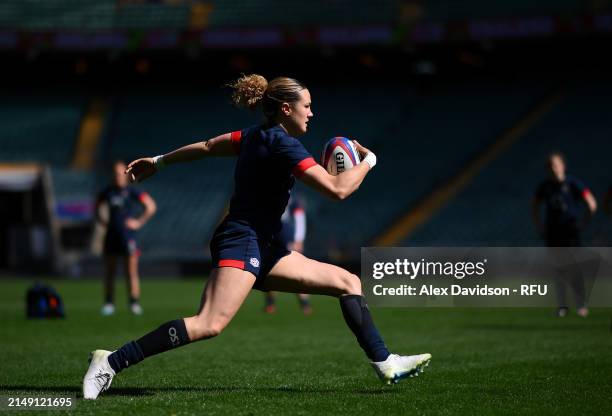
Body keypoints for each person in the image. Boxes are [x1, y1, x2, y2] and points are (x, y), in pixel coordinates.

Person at [83, 75, 431, 400]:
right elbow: (338, 190)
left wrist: (159, 161)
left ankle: (385, 362)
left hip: (265, 246)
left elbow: (206, 146)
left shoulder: (253, 135)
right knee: (209, 323)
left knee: (347, 281)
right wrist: (369, 162)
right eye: (306, 106)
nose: (312, 112)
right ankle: (111, 362)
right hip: (243, 241)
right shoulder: (284, 145)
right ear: (286, 109)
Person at [532, 152, 597, 318]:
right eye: (550, 165)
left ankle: (581, 305)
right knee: (558, 270)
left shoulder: (573, 183)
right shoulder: (545, 186)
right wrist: (540, 226)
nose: (553, 168)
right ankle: (562, 306)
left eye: (556, 164)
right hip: (553, 233)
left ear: (563, 166)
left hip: (570, 232)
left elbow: (591, 204)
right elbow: (535, 206)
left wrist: (582, 223)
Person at [95, 160, 157, 316]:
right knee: (110, 271)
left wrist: (138, 222)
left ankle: (133, 303)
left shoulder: (132, 192)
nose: (118, 177)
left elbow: (150, 206)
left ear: (126, 174)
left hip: (128, 236)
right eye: (115, 173)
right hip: (111, 236)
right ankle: (109, 303)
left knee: (131, 271)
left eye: (121, 173)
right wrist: (102, 221)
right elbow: (96, 207)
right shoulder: (107, 192)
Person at [264, 193, 312, 314]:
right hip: (273, 238)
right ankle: (270, 303)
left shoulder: (293, 200)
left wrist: (298, 240)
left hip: (288, 240)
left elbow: (300, 219)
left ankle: (304, 304)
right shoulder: (268, 198)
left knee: (297, 272)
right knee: (270, 269)